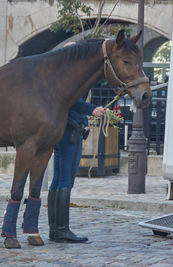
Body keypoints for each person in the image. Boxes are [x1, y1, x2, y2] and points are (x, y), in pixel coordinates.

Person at [48, 42, 105, 243]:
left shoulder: (60, 73)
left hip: (64, 129)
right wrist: (92, 110)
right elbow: (73, 100)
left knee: (58, 179)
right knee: (65, 180)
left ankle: (55, 230)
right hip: (70, 130)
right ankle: (61, 230)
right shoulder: (68, 75)